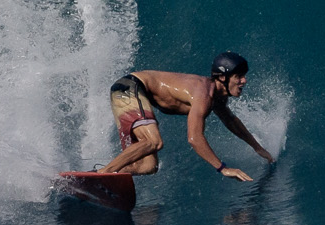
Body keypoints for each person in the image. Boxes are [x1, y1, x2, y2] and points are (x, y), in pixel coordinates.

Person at [100, 52, 274, 181]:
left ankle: (103, 174)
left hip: (130, 92)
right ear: (222, 77)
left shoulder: (217, 98)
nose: (244, 81)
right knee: (154, 141)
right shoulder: (203, 94)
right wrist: (223, 168)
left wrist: (257, 148)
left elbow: (231, 121)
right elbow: (194, 138)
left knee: (148, 166)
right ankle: (105, 174)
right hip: (130, 87)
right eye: (239, 76)